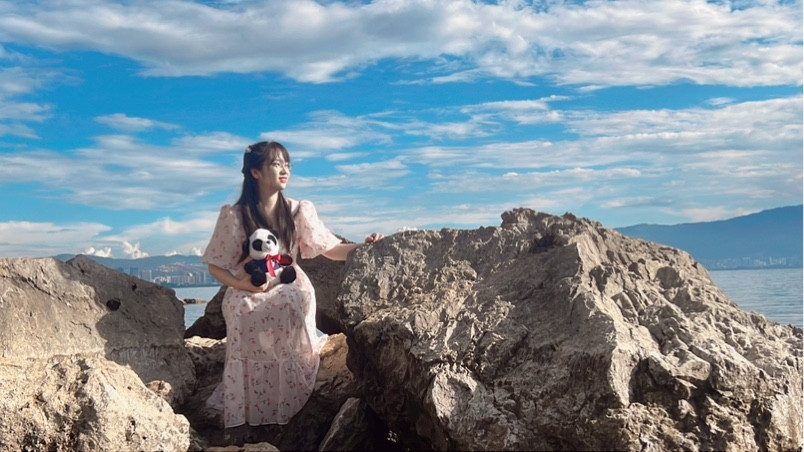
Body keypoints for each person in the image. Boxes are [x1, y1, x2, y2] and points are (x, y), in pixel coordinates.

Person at [202, 141, 383, 431]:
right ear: (255, 172)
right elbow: (215, 264)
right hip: (250, 284)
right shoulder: (234, 216)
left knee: (292, 300)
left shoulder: (298, 210)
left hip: (288, 280)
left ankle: (287, 385)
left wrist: (364, 247)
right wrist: (238, 283)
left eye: (288, 164)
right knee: (242, 306)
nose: (285, 170)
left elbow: (330, 249)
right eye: (276, 164)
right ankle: (253, 396)